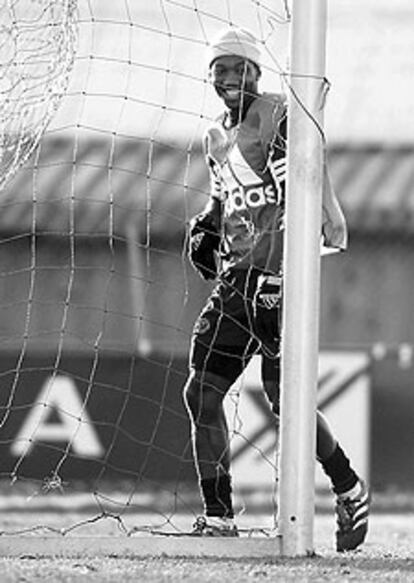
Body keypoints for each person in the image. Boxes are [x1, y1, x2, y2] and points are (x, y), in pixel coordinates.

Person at [183, 27, 369, 551]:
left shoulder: (276, 118)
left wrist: (287, 270)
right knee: (201, 391)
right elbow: (224, 199)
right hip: (236, 280)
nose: (226, 79)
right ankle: (219, 515)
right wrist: (205, 224)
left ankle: (348, 485)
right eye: (218, 70)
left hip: (279, 278)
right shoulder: (216, 135)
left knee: (287, 403)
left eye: (236, 68)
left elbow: (299, 193)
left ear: (255, 72)